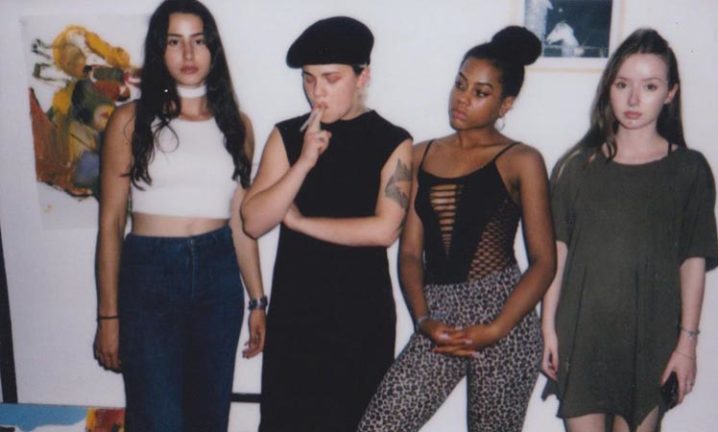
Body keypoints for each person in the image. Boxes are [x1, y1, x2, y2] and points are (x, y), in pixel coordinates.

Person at [357, 26, 555, 432]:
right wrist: (423, 319)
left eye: (480, 92)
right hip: (439, 317)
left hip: (505, 316)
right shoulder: (420, 154)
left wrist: (496, 329)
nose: (462, 98)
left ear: (505, 103)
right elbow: (410, 254)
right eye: (460, 84)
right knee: (380, 425)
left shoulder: (522, 160)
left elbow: (544, 262)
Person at [92, 1, 266, 430]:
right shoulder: (130, 120)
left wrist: (258, 300)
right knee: (159, 419)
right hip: (150, 275)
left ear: (213, 49)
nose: (188, 54)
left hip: (218, 277)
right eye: (174, 42)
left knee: (209, 418)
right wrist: (108, 316)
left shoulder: (238, 126)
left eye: (198, 41)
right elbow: (111, 224)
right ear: (159, 50)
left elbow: (241, 222)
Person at [540, 28, 718, 432]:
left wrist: (687, 344)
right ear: (609, 88)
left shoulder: (689, 169)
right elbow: (557, 252)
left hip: (650, 337)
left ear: (670, 93)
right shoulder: (576, 167)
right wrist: (547, 327)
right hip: (582, 334)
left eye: (650, 86)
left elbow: (693, 260)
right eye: (623, 85)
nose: (634, 100)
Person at [240, 16, 413, 432]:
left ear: (363, 76)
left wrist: (301, 223)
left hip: (361, 318)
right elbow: (253, 221)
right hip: (297, 315)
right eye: (309, 78)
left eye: (331, 78)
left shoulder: (393, 140)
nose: (317, 91)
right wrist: (303, 163)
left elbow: (384, 230)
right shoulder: (288, 135)